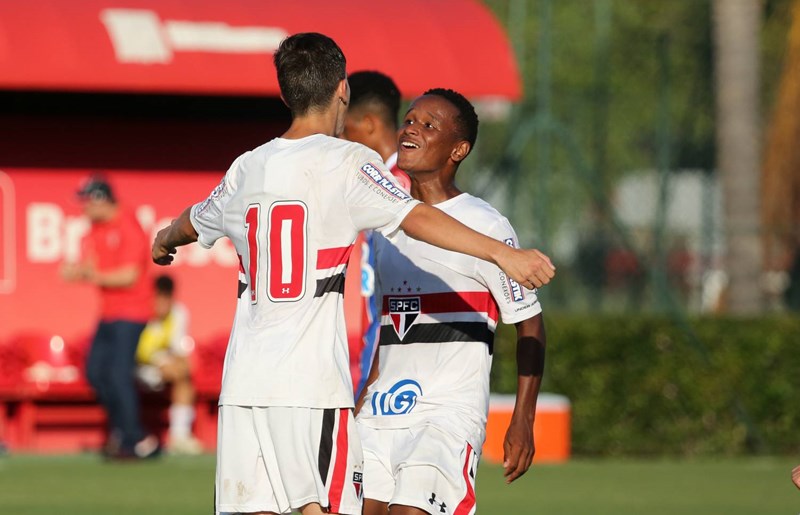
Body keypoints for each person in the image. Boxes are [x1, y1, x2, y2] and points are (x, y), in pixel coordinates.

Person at [151, 32, 554, 515]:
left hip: (244, 388)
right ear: (343, 89)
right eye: (411, 119)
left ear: (284, 94)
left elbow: (191, 221)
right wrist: (504, 255)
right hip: (311, 388)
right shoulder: (350, 164)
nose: (412, 129)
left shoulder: (246, 167)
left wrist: (162, 239)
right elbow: (414, 217)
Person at [355, 89, 547, 515]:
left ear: (458, 149)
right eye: (409, 120)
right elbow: (391, 327)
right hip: (380, 414)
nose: (410, 129)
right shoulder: (386, 226)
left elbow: (530, 325)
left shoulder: (486, 226)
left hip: (445, 416)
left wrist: (523, 419)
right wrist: (365, 395)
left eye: (428, 125)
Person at [61, 176, 159, 460]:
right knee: (95, 372)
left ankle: (134, 440)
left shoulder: (128, 224)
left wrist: (91, 275)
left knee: (118, 374)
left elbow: (129, 276)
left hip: (132, 312)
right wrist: (76, 272)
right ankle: (127, 433)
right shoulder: (95, 228)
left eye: (87, 202)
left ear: (101, 199)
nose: (83, 209)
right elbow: (90, 266)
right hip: (108, 313)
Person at [341, 71, 409, 397]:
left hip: (392, 344)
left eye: (344, 130)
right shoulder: (385, 178)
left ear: (368, 124)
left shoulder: (399, 184)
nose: (339, 141)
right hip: (377, 338)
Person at [136, 274, 203, 455]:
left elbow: (178, 349)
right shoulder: (138, 313)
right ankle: (128, 433)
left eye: (167, 298)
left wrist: (179, 364)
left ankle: (179, 436)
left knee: (184, 375)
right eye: (159, 298)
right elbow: (133, 353)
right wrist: (161, 364)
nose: (163, 304)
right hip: (137, 368)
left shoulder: (178, 313)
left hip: (161, 368)